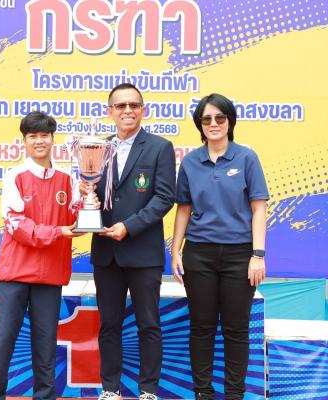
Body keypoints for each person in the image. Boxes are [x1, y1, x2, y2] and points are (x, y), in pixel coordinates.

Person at [170, 93, 269, 400]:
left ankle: (234, 394)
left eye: (220, 118)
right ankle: (203, 393)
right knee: (201, 327)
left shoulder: (247, 158)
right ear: (200, 125)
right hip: (199, 254)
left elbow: (259, 208)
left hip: (240, 255)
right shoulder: (190, 162)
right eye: (207, 119)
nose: (213, 124)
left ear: (230, 121)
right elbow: (183, 209)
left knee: (236, 329)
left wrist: (258, 255)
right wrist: (175, 251)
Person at [0, 111, 85, 400]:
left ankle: (45, 396)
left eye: (44, 135)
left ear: (52, 139)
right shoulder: (14, 176)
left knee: (46, 344)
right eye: (33, 136)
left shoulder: (68, 179)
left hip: (50, 274)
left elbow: (77, 222)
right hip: (15, 272)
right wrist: (58, 232)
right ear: (24, 141)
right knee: (3, 340)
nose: (39, 141)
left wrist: (89, 201)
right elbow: (16, 224)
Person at [86, 83, 176, 400]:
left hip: (143, 252)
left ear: (143, 110)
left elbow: (164, 197)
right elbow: (92, 193)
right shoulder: (97, 148)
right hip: (106, 252)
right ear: (109, 111)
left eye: (134, 105)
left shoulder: (160, 147)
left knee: (148, 324)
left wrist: (129, 226)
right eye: (121, 105)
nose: (128, 110)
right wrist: (86, 197)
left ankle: (148, 390)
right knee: (109, 324)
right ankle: (110, 389)